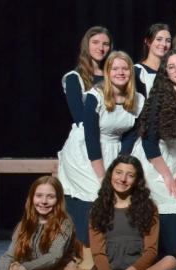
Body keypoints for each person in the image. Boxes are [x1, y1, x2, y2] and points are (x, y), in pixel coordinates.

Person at [60, 156, 176, 270]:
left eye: (130, 175)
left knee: (171, 261)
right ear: (111, 175)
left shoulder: (148, 208)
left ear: (137, 180)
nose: (123, 179)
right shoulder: (98, 208)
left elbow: (151, 251)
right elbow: (98, 252)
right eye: (118, 172)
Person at [58, 51, 144, 241]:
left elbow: (130, 136)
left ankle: (107, 249)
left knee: (116, 199)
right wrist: (102, 176)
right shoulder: (95, 95)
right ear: (107, 71)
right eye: (115, 68)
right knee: (95, 193)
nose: (120, 73)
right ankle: (83, 247)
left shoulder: (138, 99)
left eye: (124, 69)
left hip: (113, 150)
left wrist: (121, 165)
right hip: (85, 151)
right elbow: (90, 137)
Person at [131, 49, 176, 257]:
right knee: (163, 205)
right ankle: (160, 261)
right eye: (171, 67)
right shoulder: (161, 98)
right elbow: (149, 142)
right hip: (156, 162)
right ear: (166, 73)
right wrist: (167, 175)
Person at [63, 26, 111, 125]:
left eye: (105, 44)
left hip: (114, 137)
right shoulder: (74, 78)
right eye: (95, 42)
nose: (101, 48)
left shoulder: (113, 75)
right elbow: (80, 119)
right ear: (86, 45)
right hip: (87, 137)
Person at [134, 23, 172, 96]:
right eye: (159, 39)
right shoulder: (137, 71)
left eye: (168, 41)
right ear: (148, 42)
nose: (164, 44)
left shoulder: (171, 71)